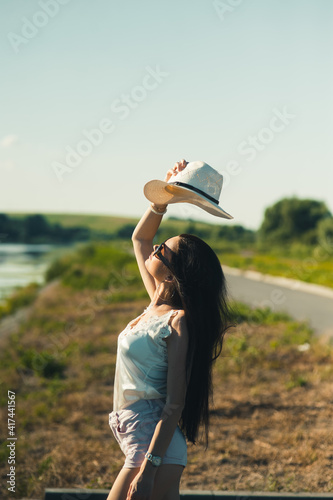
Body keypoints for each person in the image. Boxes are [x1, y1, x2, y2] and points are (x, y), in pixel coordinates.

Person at [107, 159, 233, 500]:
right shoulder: (156, 304)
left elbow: (174, 405)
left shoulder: (176, 321)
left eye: (164, 248)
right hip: (135, 431)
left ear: (173, 272)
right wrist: (162, 199)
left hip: (153, 442)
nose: (156, 246)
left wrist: (149, 468)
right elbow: (139, 237)